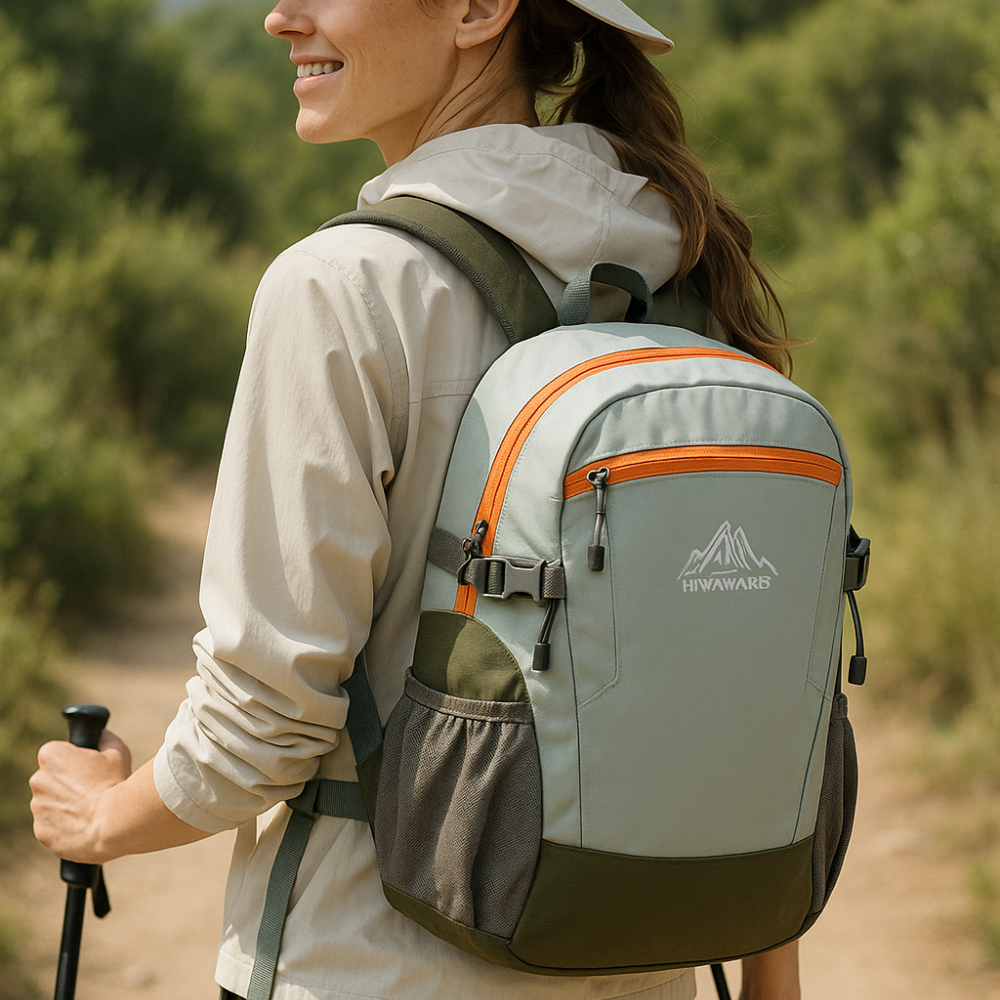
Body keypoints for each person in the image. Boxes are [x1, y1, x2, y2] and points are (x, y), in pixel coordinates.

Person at [29, 0, 803, 997]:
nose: (279, 17)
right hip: (642, 969)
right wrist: (773, 970)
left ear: (479, 9)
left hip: (366, 965)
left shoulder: (344, 286)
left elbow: (261, 722)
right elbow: (752, 679)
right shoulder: (686, 258)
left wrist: (104, 816)